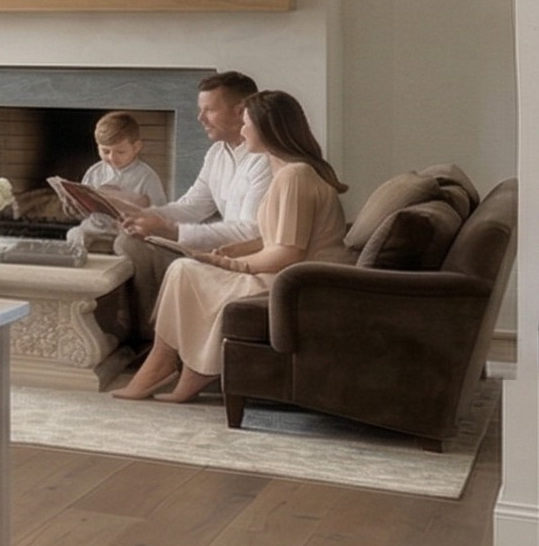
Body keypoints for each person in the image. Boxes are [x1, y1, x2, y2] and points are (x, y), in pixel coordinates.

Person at [113, 89, 351, 402]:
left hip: (299, 280)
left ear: (267, 128)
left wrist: (235, 265)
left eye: (247, 124)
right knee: (184, 269)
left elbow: (289, 251)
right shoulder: (288, 171)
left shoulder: (295, 176)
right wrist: (233, 251)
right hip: (289, 269)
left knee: (185, 269)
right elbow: (276, 235)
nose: (242, 130)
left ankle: (176, 367)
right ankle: (173, 366)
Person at [111, 71, 274, 344]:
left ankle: (159, 343)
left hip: (244, 256)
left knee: (136, 246)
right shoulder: (217, 154)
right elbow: (192, 205)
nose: (200, 119)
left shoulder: (264, 159)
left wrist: (171, 230)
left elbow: (250, 232)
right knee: (130, 240)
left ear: (240, 111)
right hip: (219, 246)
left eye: (209, 110)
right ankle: (147, 339)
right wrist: (144, 216)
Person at [64, 111, 166, 250]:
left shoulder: (146, 176)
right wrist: (74, 206)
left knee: (126, 244)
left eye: (120, 152)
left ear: (136, 147)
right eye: (105, 151)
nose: (112, 158)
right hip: (95, 228)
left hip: (126, 231)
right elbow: (86, 209)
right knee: (74, 234)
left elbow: (159, 214)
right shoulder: (95, 172)